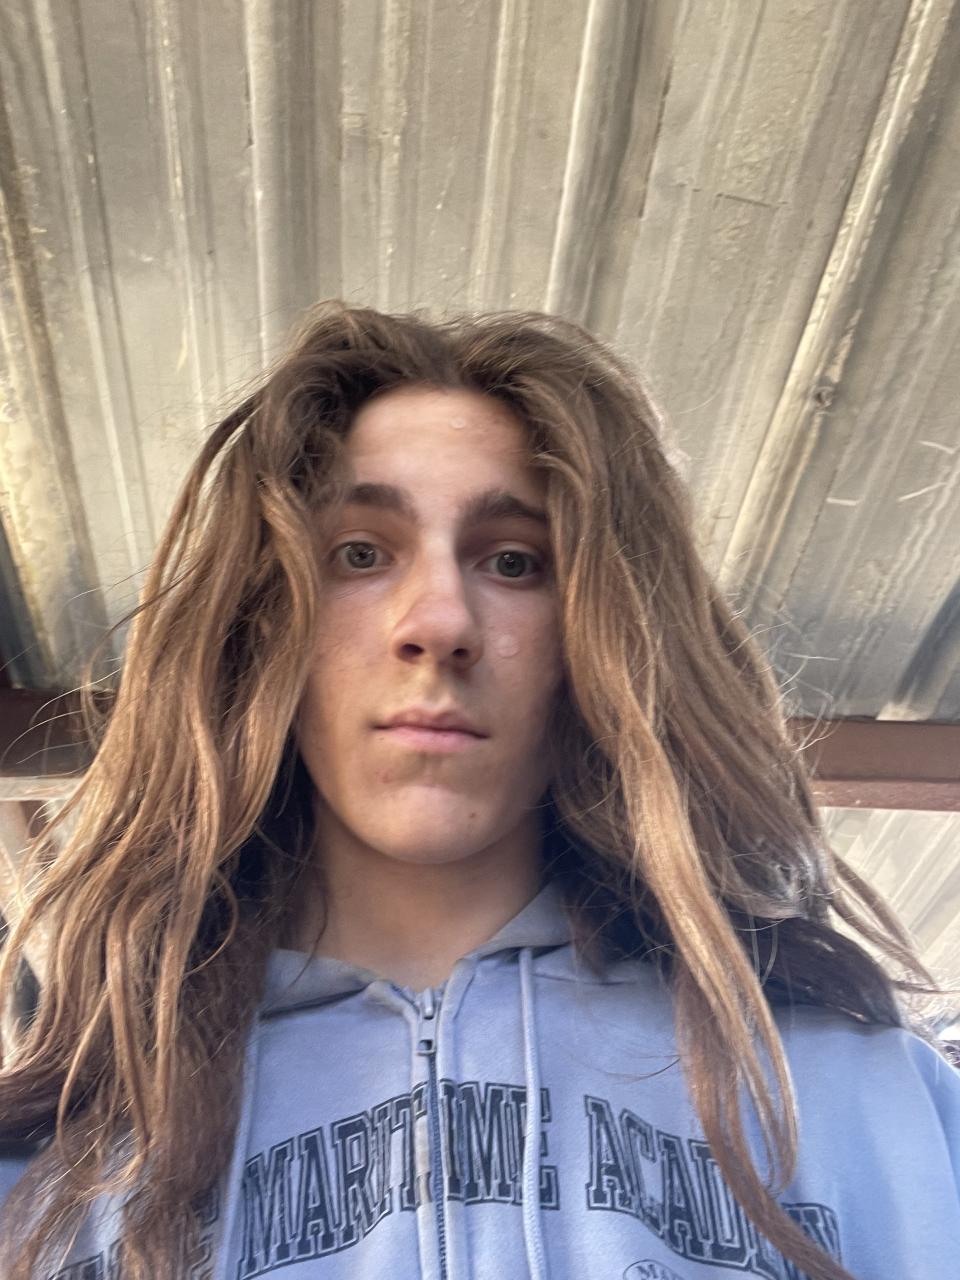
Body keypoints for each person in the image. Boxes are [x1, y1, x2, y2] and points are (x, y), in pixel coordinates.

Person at [0, 302, 956, 1280]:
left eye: (514, 561)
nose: (440, 621)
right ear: (262, 625)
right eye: (359, 553)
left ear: (605, 633)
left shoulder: (877, 1101)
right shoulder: (54, 1173)